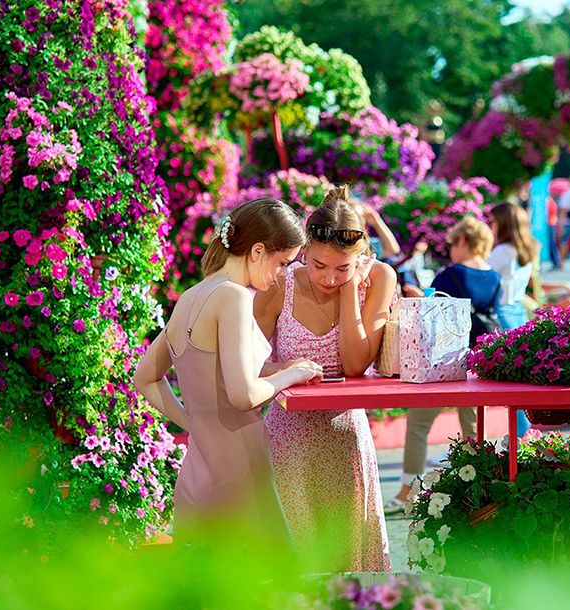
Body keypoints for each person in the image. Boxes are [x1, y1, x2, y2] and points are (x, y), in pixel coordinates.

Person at [132, 198, 322, 544]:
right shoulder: (233, 297)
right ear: (257, 251)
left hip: (198, 473)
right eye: (282, 263)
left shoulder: (190, 296)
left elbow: (144, 377)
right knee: (266, 592)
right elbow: (243, 394)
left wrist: (194, 423)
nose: (282, 275)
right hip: (239, 475)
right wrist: (290, 377)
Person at [254, 185, 396, 572]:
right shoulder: (281, 283)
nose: (329, 278)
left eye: (342, 268)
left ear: (362, 258)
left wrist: (352, 289)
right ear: (303, 251)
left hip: (346, 437)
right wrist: (281, 372)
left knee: (350, 564)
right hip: (288, 438)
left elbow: (354, 363)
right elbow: (248, 357)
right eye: (318, 265)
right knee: (297, 561)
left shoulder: (379, 277)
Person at [384, 218, 498, 515]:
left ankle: (408, 489)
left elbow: (433, 306)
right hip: (479, 360)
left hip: (447, 359)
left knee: (419, 423)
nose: (449, 250)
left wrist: (414, 295)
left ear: (462, 241)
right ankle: (480, 488)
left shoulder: (452, 273)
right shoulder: (494, 276)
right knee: (473, 429)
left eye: (451, 244)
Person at [488, 202, 538, 437]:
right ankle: (524, 432)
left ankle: (521, 433)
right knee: (520, 379)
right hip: (518, 312)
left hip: (503, 312)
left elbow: (485, 279)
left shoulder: (501, 252)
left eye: (493, 221)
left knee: (510, 380)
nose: (491, 226)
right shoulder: (527, 250)